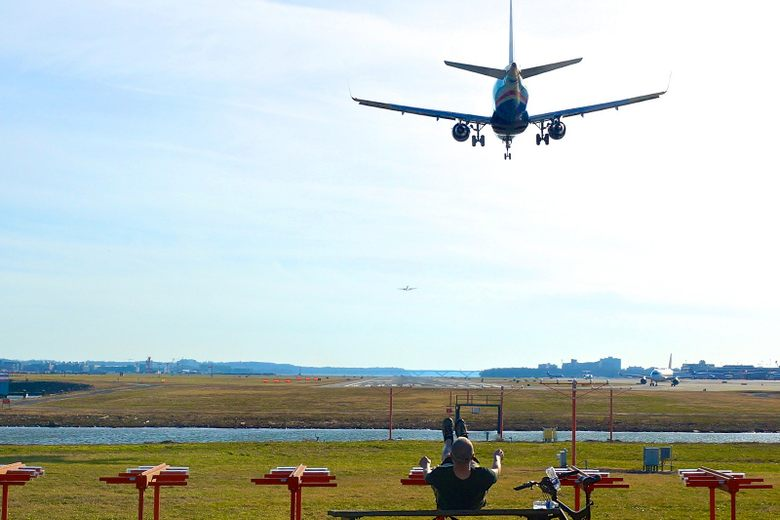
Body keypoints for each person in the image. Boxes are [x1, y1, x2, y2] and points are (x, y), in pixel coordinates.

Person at [419, 417, 504, 511]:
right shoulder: (484, 475)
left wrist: (426, 464)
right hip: (475, 507)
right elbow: (496, 469)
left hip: (446, 507)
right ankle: (463, 437)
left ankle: (448, 439)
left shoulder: (440, 474)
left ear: (452, 456)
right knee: (468, 460)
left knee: (446, 456)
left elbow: (427, 475)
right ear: (473, 456)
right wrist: (497, 457)